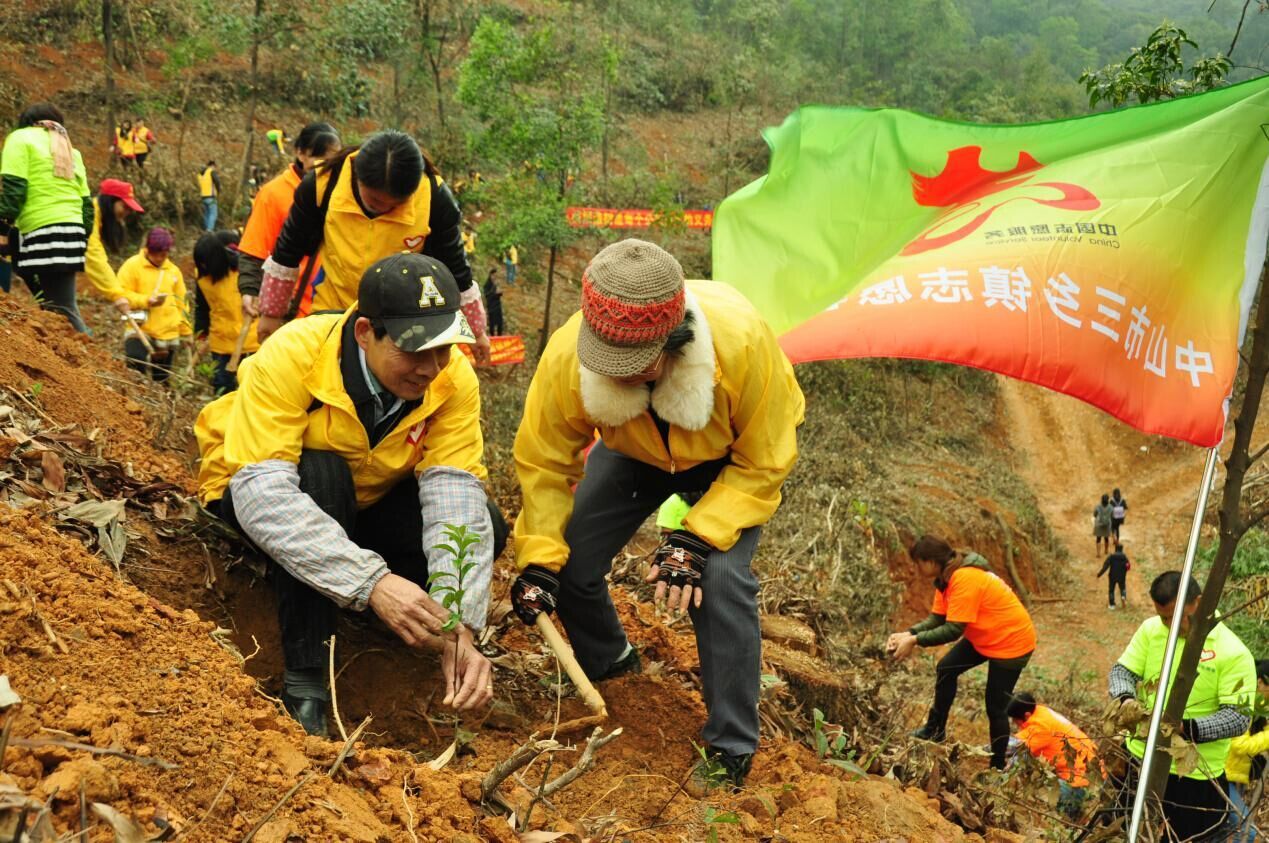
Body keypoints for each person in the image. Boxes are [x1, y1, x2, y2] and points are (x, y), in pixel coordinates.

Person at [509, 239, 805, 793]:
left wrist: (694, 540)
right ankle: (614, 665)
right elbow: (544, 462)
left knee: (718, 579)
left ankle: (731, 745)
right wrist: (540, 558)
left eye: (634, 365)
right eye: (607, 366)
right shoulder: (567, 354)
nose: (617, 374)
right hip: (633, 451)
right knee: (569, 557)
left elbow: (766, 461)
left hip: (728, 460)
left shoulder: (740, 341)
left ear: (674, 340)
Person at [194, 252, 504, 737]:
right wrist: (372, 582)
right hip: (263, 488)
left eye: (444, 347)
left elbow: (454, 495)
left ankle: (408, 624)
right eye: (414, 349)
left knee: (486, 516)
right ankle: (306, 679)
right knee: (322, 474)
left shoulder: (452, 378)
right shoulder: (293, 353)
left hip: (364, 500)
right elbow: (263, 494)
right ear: (365, 333)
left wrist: (457, 627)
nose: (431, 367)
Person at [251, 130, 491, 364]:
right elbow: (288, 250)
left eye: (396, 204)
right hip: (331, 315)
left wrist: (476, 331)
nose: (383, 208)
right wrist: (271, 313)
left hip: (397, 328)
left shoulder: (433, 198)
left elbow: (455, 266)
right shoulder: (324, 184)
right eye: (375, 200)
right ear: (357, 175)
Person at [1107, 571, 1257, 841]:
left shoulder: (1232, 651)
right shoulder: (1152, 630)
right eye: (1164, 618)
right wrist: (1126, 699)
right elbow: (1122, 671)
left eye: (1176, 617)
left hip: (1194, 776)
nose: (1169, 626)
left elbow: (1237, 718)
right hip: (1139, 759)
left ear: (1199, 602)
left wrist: (1187, 728)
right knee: (1126, 829)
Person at [887, 535, 1036, 769]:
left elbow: (953, 630)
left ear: (929, 562)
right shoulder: (945, 578)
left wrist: (914, 640)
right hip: (985, 635)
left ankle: (998, 765)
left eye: (917, 563)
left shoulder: (964, 578)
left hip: (1011, 642)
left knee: (995, 706)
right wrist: (908, 633)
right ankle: (935, 730)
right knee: (946, 668)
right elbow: (938, 618)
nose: (915, 568)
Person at [0, 103, 93, 333]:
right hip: (71, 230)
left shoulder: (20, 138)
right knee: (52, 300)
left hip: (42, 229)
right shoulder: (71, 150)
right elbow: (87, 206)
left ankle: (88, 358)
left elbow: (14, 189)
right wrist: (82, 238)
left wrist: (2, 229)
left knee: (64, 308)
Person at [237, 121, 341, 326]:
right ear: (300, 153)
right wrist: (249, 289)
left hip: (331, 308)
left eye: (332, 160)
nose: (325, 165)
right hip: (290, 309)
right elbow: (255, 248)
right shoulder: (274, 194)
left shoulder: (342, 194)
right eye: (318, 157)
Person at [114, 227, 191, 382]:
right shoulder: (132, 266)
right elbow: (120, 293)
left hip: (167, 332)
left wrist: (186, 330)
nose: (159, 258)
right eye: (156, 254)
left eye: (163, 255)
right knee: (135, 364)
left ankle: (158, 403)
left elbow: (181, 302)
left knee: (161, 379)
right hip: (140, 328)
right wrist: (145, 300)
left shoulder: (173, 271)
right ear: (148, 249)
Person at [1007, 692, 1098, 819]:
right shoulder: (1041, 712)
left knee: (1063, 816)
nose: (1014, 723)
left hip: (1080, 783)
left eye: (1015, 720)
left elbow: (1009, 747)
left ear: (1026, 715)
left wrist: (978, 750)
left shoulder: (1040, 727)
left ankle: (1071, 818)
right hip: (1091, 775)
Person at [194, 230, 257, 394]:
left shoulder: (243, 272)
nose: (203, 266)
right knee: (222, 388)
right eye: (200, 263)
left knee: (251, 389)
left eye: (206, 262)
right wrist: (200, 335)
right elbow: (202, 308)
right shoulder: (202, 279)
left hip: (251, 341)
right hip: (221, 343)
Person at [1224, 659, 1268, 842]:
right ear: (1260, 683)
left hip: (1237, 777)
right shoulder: (1243, 702)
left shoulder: (1262, 706)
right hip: (1221, 776)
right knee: (1246, 832)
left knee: (1219, 832)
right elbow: (1239, 745)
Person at [83, 178, 145, 304]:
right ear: (110, 202)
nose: (127, 212)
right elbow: (93, 254)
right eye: (125, 207)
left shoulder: (96, 214)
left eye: (130, 209)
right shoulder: (89, 213)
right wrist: (117, 294)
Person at [1098, 542, 1130, 610]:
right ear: (1122, 549)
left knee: (1111, 590)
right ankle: (1123, 596)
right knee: (1122, 588)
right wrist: (1124, 571)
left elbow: (1105, 566)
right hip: (1122, 576)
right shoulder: (1124, 557)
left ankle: (1112, 605)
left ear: (1115, 549)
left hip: (1112, 576)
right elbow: (1128, 567)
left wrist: (1099, 574)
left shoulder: (1111, 556)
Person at [198, 161, 220, 231]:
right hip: (211, 197)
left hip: (203, 197)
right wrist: (219, 191)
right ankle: (209, 230)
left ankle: (206, 229)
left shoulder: (200, 174)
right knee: (213, 214)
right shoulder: (211, 172)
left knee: (207, 214)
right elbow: (217, 181)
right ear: (212, 165)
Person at [483, 267, 503, 336]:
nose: (495, 277)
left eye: (496, 276)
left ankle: (500, 337)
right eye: (494, 276)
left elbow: (500, 293)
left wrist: (499, 292)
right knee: (492, 324)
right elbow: (487, 295)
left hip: (498, 305)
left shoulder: (497, 284)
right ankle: (493, 337)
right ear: (490, 275)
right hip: (491, 307)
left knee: (500, 323)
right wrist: (494, 292)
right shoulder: (487, 285)